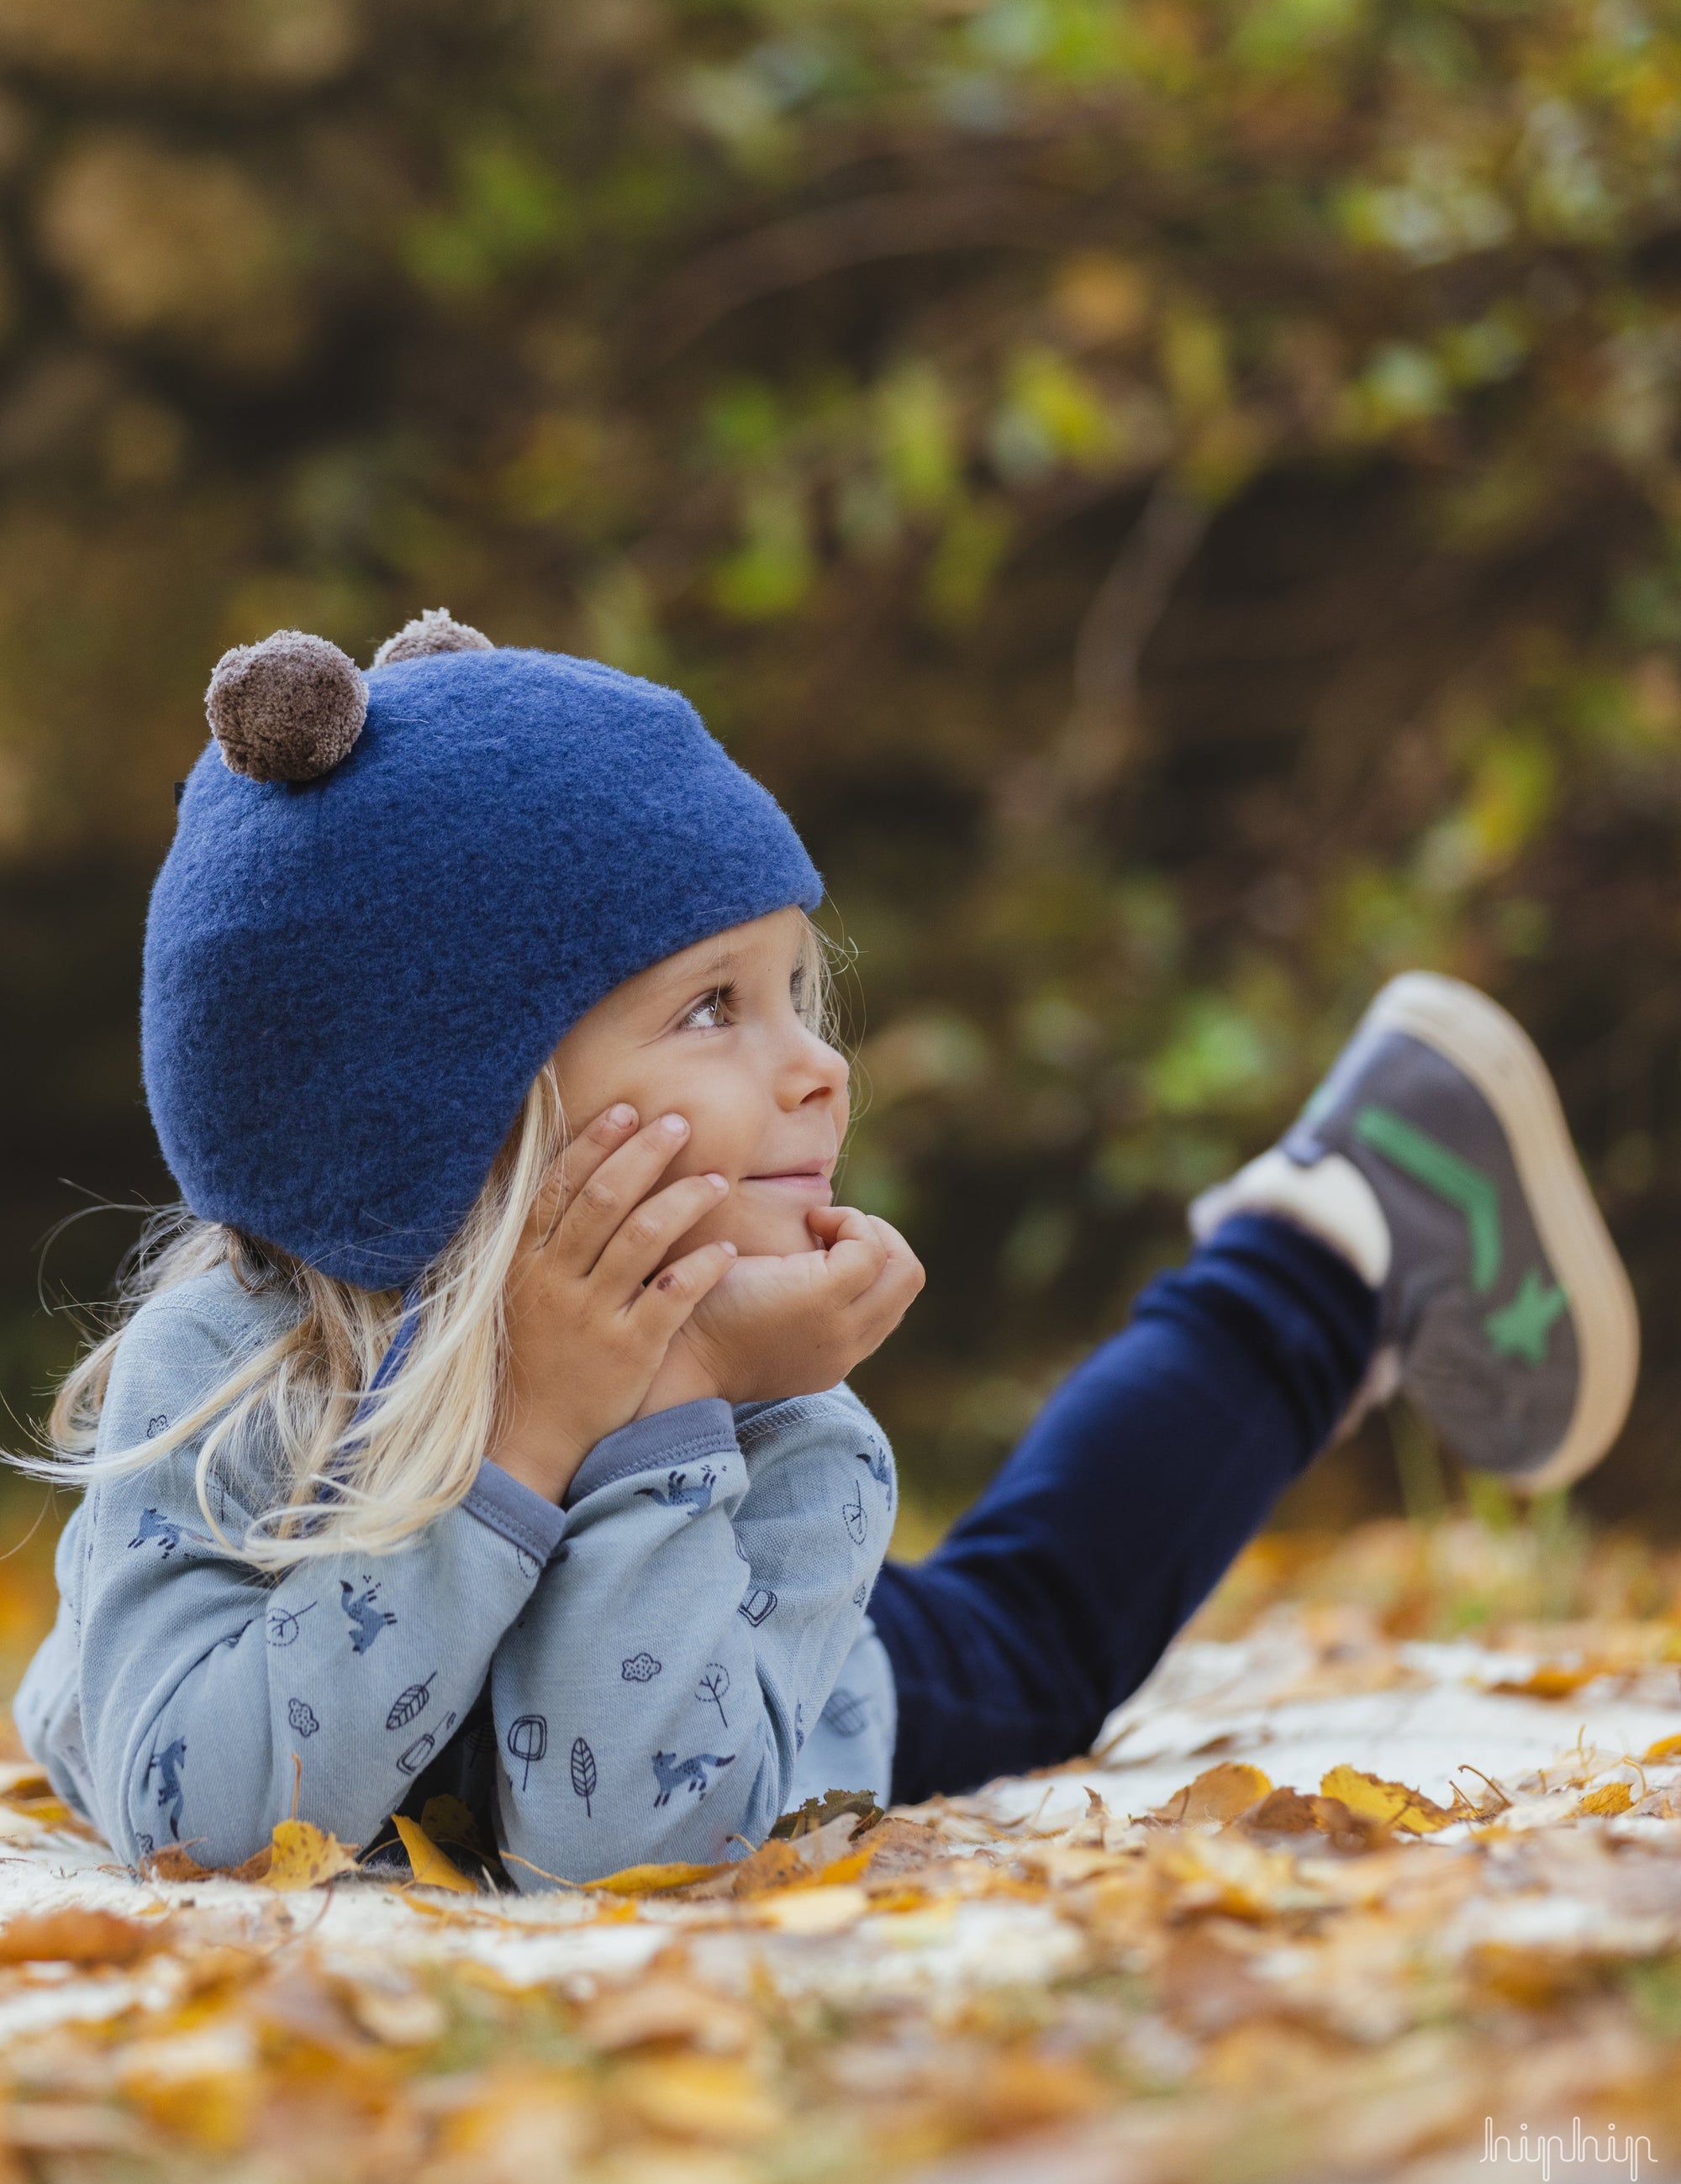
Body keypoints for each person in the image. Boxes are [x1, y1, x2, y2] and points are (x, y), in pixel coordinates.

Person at [13, 615, 1639, 1884]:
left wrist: (670, 1404)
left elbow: (630, 1850)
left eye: (801, 991)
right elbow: (204, 1818)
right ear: (449, 1113)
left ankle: (1328, 1242)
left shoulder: (784, 1411)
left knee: (1041, 1629)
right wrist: (521, 1438)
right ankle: (1334, 1233)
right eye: (715, 1007)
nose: (821, 1066)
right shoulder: (225, 1383)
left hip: (793, 1690)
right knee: (1027, 1601)